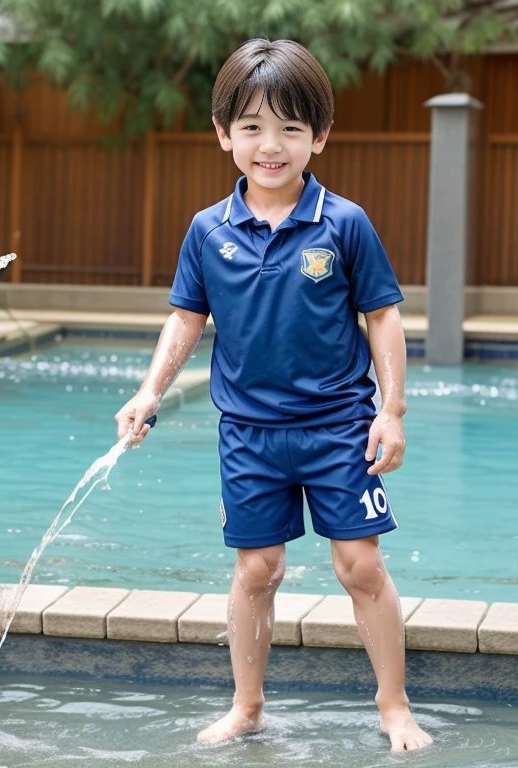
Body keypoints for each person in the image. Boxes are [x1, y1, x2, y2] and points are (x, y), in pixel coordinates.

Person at [115, 39, 432, 753]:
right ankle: (247, 706)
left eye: (291, 127)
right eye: (253, 126)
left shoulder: (344, 223)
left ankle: (394, 705)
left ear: (319, 137)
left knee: (360, 566)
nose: (272, 144)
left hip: (339, 426)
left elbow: (381, 314)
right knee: (257, 568)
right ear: (224, 133)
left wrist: (392, 410)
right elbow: (186, 319)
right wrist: (148, 393)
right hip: (249, 434)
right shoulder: (207, 231)